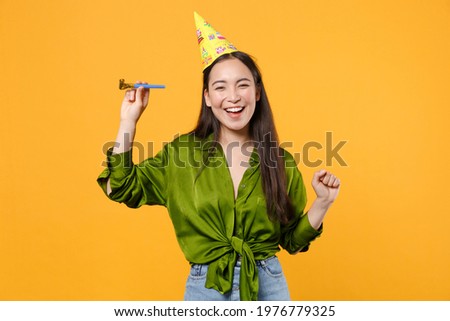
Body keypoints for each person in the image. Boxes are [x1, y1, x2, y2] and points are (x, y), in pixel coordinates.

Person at [97, 13, 340, 301]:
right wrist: (129, 122)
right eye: (220, 87)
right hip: (206, 289)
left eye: (243, 84)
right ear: (208, 98)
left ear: (257, 92)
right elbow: (118, 187)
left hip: (269, 287)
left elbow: (292, 242)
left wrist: (323, 202)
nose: (233, 96)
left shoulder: (281, 162)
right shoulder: (180, 155)